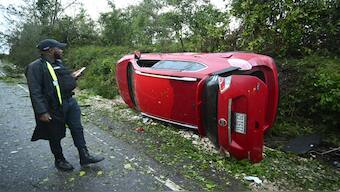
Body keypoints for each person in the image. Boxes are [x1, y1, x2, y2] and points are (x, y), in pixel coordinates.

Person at [25, 39, 104, 171]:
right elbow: (35, 91)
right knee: (54, 134)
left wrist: (73, 77)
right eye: (59, 48)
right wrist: (42, 112)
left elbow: (60, 81)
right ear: (50, 50)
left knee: (77, 128)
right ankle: (59, 159)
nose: (61, 50)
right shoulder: (35, 67)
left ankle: (85, 156)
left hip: (70, 102)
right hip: (53, 107)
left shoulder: (58, 63)